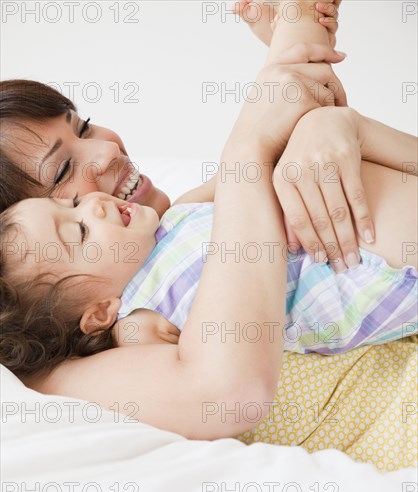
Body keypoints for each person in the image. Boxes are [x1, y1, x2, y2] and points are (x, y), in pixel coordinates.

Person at [0, 1, 417, 442]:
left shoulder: (179, 215)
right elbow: (221, 388)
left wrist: (338, 118)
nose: (107, 151)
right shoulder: (119, 339)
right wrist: (256, 139)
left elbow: (274, 119)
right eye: (62, 173)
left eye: (84, 127)